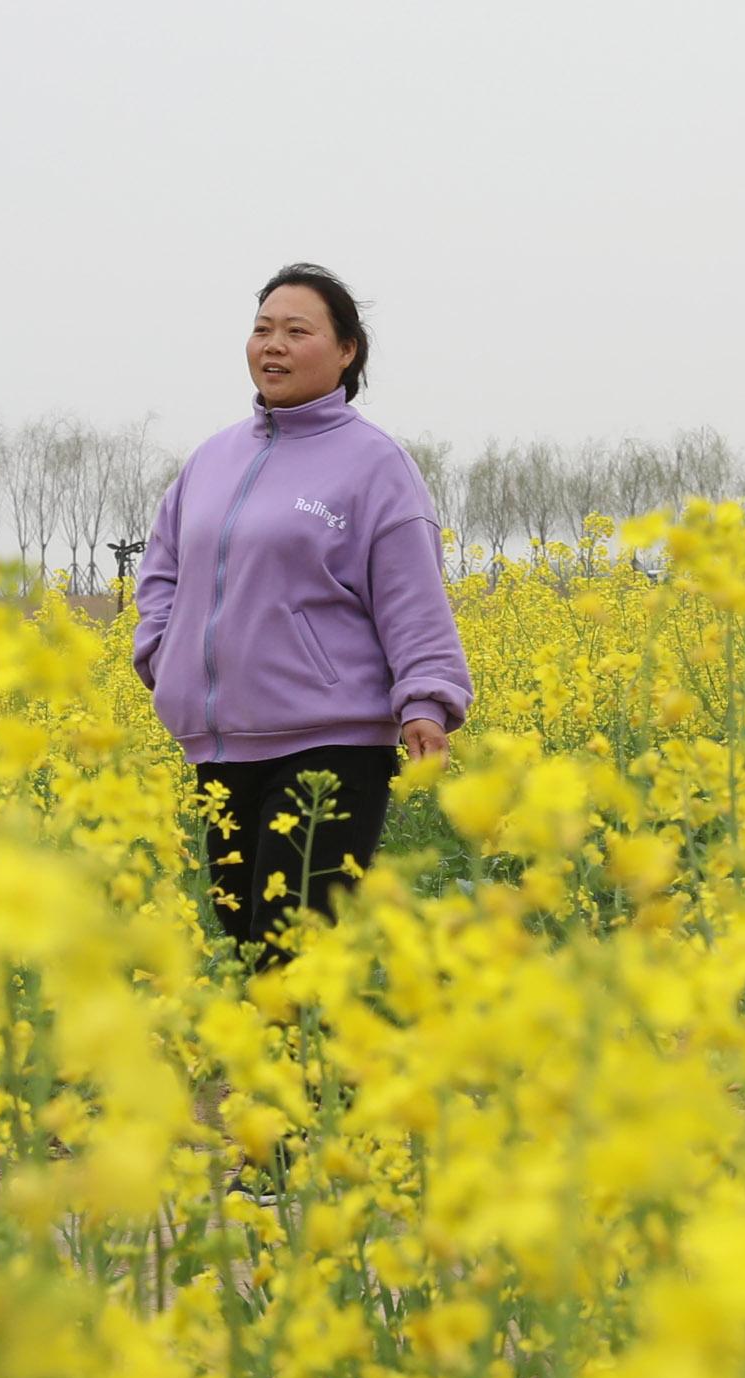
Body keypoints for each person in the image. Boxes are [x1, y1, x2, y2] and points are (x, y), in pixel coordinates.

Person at [134, 263, 472, 958]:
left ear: (347, 350)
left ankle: (297, 1069)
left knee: (293, 946)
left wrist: (426, 701)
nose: (273, 346)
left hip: (332, 743)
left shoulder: (375, 465)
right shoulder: (212, 458)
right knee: (247, 939)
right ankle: (304, 1067)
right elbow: (164, 563)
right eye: (262, 330)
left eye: (296, 331)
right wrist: (160, 651)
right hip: (221, 744)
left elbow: (412, 595)